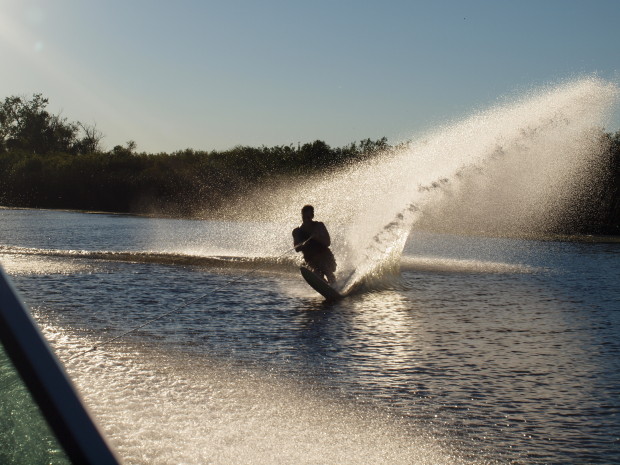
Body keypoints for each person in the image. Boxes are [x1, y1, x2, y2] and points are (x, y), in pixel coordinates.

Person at [292, 205, 337, 284]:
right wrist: (302, 245)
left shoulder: (319, 226)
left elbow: (328, 243)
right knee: (316, 274)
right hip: (311, 260)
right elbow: (296, 249)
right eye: (304, 217)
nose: (306, 219)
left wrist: (317, 238)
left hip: (325, 257)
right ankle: (327, 287)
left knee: (325, 268)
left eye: (308, 217)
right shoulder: (297, 231)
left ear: (312, 216)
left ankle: (336, 287)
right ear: (302, 216)